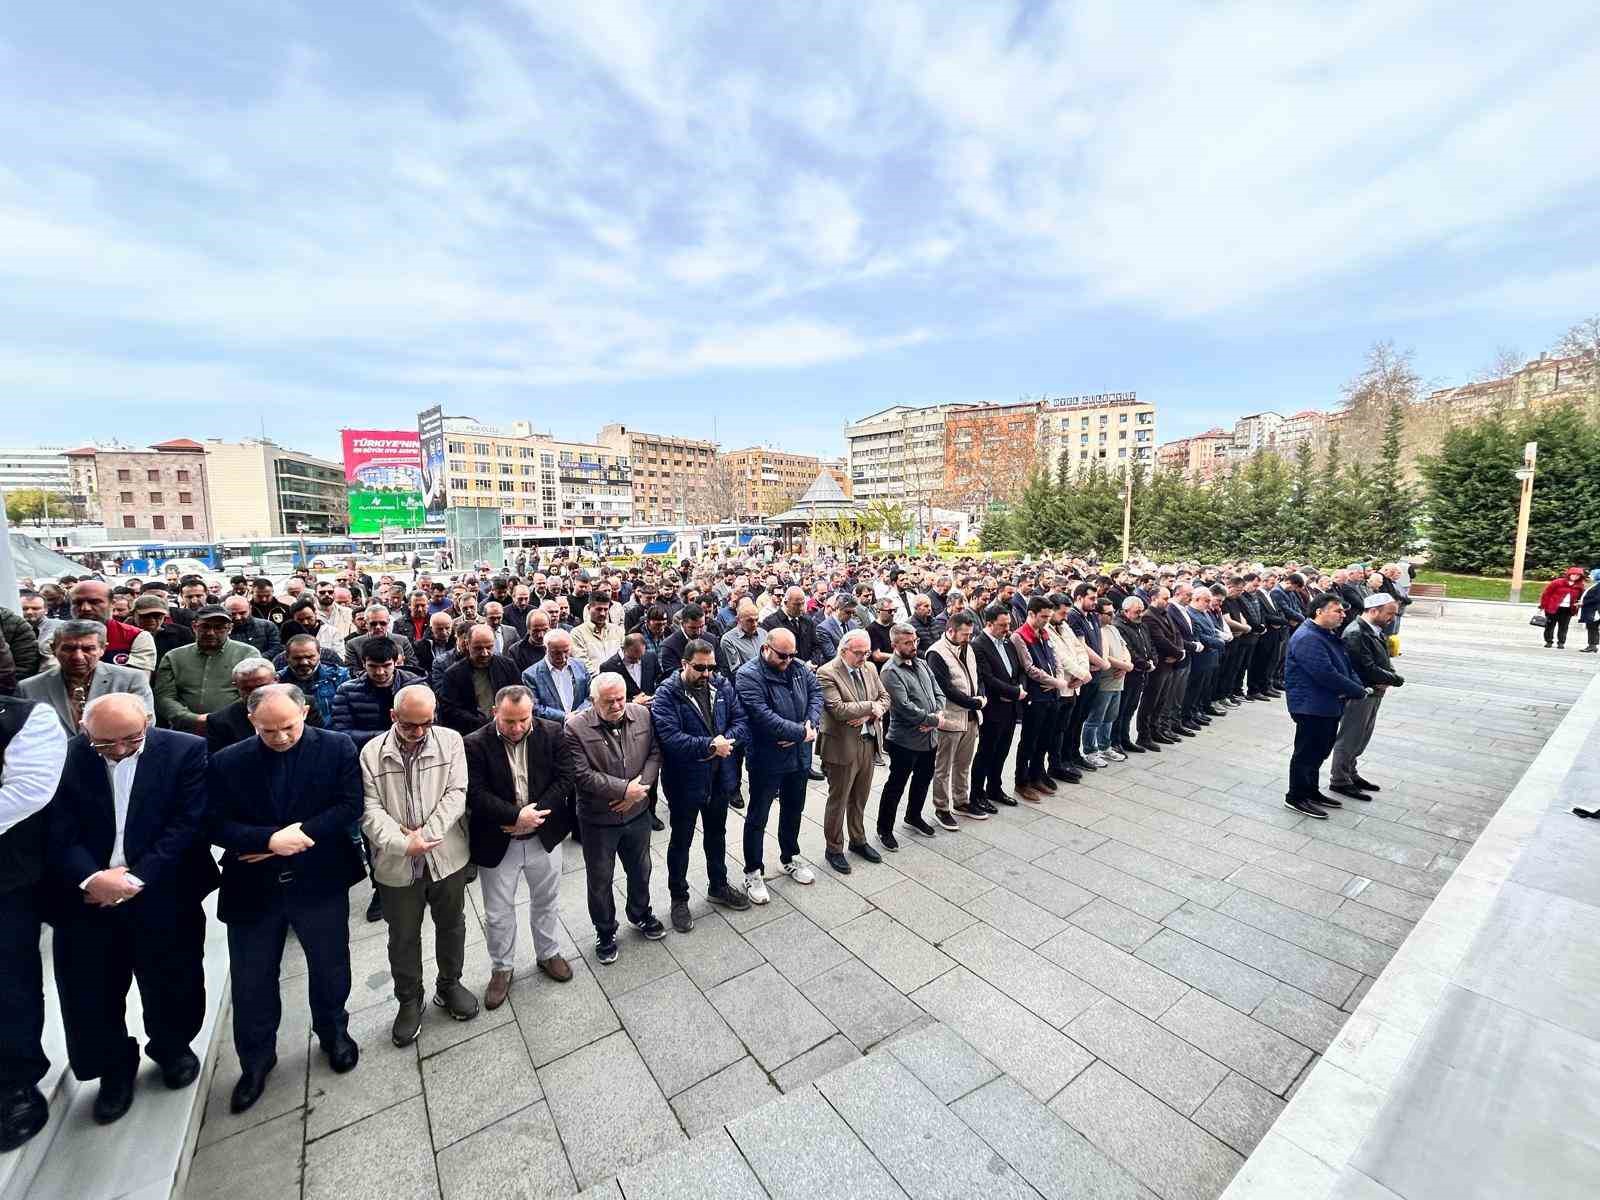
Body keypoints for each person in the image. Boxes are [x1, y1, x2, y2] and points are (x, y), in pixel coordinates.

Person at [45, 694, 217, 1124]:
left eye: (130, 740)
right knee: (92, 990)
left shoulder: (185, 750)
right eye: (105, 744)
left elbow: (186, 824)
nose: (119, 752)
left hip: (162, 887)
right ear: (85, 730)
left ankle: (171, 1046)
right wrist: (92, 878)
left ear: (148, 723)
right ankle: (113, 1068)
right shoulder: (63, 759)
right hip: (87, 896)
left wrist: (134, 879)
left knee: (173, 975)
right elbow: (55, 828)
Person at [210, 684, 363, 1113]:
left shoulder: (336, 747)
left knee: (330, 964)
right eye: (268, 730)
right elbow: (213, 823)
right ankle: (256, 1060)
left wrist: (298, 836)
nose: (279, 737)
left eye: (288, 728)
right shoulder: (228, 761)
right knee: (253, 978)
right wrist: (267, 840)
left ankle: (334, 1033)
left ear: (305, 713)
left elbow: (350, 805)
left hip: (319, 879)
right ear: (251, 721)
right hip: (253, 887)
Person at [359, 686, 477, 1046]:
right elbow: (368, 809)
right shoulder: (372, 753)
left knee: (452, 924)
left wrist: (428, 833)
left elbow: (457, 793)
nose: (420, 731)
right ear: (394, 718)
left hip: (446, 855)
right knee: (403, 936)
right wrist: (403, 842)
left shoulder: (450, 741)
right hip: (397, 864)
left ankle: (450, 983)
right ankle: (409, 999)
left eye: (428, 722)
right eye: (411, 725)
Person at [464, 686, 574, 1008]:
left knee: (547, 899)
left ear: (533, 712)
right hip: (499, 839)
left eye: (523, 719)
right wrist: (515, 816)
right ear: (494, 713)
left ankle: (548, 952)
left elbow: (565, 778)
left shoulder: (553, 733)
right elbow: (475, 792)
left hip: (544, 835)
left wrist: (532, 817)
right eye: (508, 721)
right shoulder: (474, 743)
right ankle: (502, 968)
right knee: (498, 912)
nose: (516, 728)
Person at [0, 695, 69, 1152]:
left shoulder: (27, 717)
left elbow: (25, 793)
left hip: (6, 880)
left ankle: (15, 1081)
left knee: (9, 984)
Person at [562, 673, 665, 963]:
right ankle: (605, 930)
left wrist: (638, 790)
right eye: (609, 701)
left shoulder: (642, 714)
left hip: (637, 813)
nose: (618, 704)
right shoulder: (575, 728)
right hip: (598, 820)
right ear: (593, 701)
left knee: (641, 868)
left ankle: (641, 913)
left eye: (621, 698)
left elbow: (655, 754)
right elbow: (581, 775)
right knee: (600, 879)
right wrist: (623, 790)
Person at [651, 638, 752, 931]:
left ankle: (718, 885)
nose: (707, 673)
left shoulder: (721, 685)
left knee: (717, 834)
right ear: (684, 664)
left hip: (720, 776)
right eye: (700, 668)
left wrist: (725, 742)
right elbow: (670, 738)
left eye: (711, 667)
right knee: (681, 840)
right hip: (686, 780)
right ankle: (679, 898)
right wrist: (710, 745)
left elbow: (741, 720)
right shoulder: (667, 693)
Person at [734, 628, 822, 901]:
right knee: (758, 815)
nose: (788, 660)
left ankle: (790, 855)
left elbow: (816, 693)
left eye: (792, 655)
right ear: (766, 648)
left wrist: (811, 724)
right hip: (767, 757)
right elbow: (761, 715)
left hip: (798, 756)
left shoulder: (797, 667)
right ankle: (753, 870)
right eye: (782, 655)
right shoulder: (748, 675)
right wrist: (800, 733)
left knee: (794, 808)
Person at [1283, 594, 1369, 819]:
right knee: (1307, 753)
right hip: (1311, 706)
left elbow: (1345, 665)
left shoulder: (1325, 634)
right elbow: (1324, 673)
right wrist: (1357, 691)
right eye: (1337, 611)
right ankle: (1296, 796)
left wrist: (1356, 684)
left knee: (1320, 750)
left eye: (1342, 611)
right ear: (1319, 611)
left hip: (1327, 704)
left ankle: (1311, 790)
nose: (1343, 615)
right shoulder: (1308, 637)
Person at [816, 629, 888, 872]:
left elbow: (885, 697)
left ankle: (858, 840)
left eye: (867, 652)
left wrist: (870, 712)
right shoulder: (826, 672)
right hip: (841, 745)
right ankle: (833, 848)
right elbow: (838, 709)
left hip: (867, 741)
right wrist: (872, 707)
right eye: (859, 653)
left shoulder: (869, 668)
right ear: (843, 650)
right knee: (839, 799)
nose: (864, 657)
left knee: (860, 797)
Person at [877, 623, 949, 843]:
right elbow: (903, 706)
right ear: (894, 644)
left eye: (915, 641)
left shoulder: (922, 663)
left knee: (923, 779)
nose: (913, 646)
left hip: (929, 738)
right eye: (907, 643)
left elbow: (939, 693)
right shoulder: (890, 671)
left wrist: (936, 717)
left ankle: (913, 816)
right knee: (896, 785)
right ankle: (885, 829)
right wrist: (933, 720)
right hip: (904, 740)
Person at [1329, 593, 1405, 800]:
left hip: (1374, 691)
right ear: (1373, 611)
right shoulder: (1356, 633)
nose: (1393, 618)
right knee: (1350, 736)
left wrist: (1390, 676)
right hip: (1361, 691)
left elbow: (1384, 661)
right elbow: (1365, 668)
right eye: (1390, 613)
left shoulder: (1374, 630)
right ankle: (1340, 779)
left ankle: (1350, 773)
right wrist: (1396, 679)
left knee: (1362, 736)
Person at [21, 620, 154, 735]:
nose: (77, 657)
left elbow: (145, 725)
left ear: (103, 649)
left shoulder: (131, 680)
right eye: (68, 649)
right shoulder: (28, 688)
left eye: (88, 649)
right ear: (53, 649)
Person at [153, 606, 256, 735]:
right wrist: (192, 719)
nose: (211, 632)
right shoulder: (173, 657)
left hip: (234, 728)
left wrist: (218, 719)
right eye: (205, 626)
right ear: (194, 627)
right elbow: (164, 697)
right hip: (185, 730)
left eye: (219, 627)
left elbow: (252, 693)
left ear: (229, 628)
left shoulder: (248, 654)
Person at [925, 610, 987, 825]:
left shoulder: (967, 647)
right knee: (943, 767)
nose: (968, 638)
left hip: (970, 716)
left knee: (963, 763)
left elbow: (975, 676)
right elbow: (946, 688)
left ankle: (961, 800)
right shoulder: (936, 653)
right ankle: (941, 807)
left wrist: (980, 696)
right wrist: (975, 702)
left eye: (970, 634)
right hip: (950, 717)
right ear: (950, 630)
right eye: (964, 634)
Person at [330, 637, 425, 750]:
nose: (380, 672)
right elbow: (342, 732)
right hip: (366, 751)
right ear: (364, 663)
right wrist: (385, 736)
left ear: (395, 663)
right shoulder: (347, 691)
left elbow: (431, 724)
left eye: (386, 666)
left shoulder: (417, 687)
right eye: (373, 666)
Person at [972, 605, 1024, 806]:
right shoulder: (979, 645)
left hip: (1010, 707)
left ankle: (995, 788)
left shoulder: (1007, 641)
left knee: (1002, 750)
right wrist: (1014, 692)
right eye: (1002, 625)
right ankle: (977, 793)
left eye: (1008, 624)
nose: (1007, 628)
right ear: (989, 623)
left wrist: (1020, 688)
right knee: (986, 752)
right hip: (993, 707)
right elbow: (987, 677)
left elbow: (1018, 670)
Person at [1010, 597, 1062, 799]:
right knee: (1029, 740)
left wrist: (1057, 679)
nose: (1046, 621)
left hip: (1051, 694)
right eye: (1043, 617)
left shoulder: (1045, 633)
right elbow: (1029, 667)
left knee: (1045, 739)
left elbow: (1055, 659)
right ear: (1031, 613)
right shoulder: (1020, 636)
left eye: (1049, 617)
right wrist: (1055, 682)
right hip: (1035, 697)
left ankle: (1037, 775)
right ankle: (1021, 781)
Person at [437, 625, 523, 735]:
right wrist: (481, 723)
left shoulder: (507, 666)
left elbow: (519, 696)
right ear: (467, 644)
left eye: (489, 647)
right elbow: (448, 710)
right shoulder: (453, 674)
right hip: (471, 733)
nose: (485, 653)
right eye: (478, 648)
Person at [69, 580, 156, 673]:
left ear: (112, 603)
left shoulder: (137, 637)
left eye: (94, 602)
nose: (85, 608)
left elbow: (136, 683)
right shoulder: (56, 636)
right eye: (77, 602)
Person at [1085, 598, 1131, 765]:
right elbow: (1105, 657)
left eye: (1113, 612)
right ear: (1098, 614)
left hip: (1118, 680)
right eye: (1109, 613)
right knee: (1096, 717)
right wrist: (1125, 666)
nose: (1113, 616)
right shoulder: (1098, 631)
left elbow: (1124, 648)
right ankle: (1090, 750)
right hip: (1105, 680)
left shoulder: (1113, 629)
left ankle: (1105, 746)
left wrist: (1127, 665)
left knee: (1110, 716)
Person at [204, 657, 282, 752]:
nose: (255, 694)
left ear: (276, 679)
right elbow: (218, 761)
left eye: (261, 687)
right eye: (247, 689)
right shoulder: (220, 721)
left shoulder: (301, 706)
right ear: (236, 686)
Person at [279, 634, 347, 726]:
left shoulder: (339, 676)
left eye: (310, 657)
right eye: (297, 658)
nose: (304, 662)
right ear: (287, 657)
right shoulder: (277, 681)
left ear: (319, 654)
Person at [343, 605, 419, 672]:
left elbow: (413, 667)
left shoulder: (402, 641)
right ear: (366, 623)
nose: (378, 627)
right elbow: (351, 671)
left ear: (388, 621)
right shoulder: (353, 645)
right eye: (373, 624)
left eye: (382, 623)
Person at [599, 632, 659, 703]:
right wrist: (632, 702)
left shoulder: (650, 657)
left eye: (640, 657)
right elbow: (607, 698)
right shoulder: (608, 668)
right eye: (632, 658)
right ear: (623, 649)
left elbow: (659, 679)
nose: (637, 661)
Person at [569, 596, 623, 674]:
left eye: (606, 609)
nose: (602, 613)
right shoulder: (577, 633)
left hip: (618, 681)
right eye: (598, 609)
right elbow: (582, 663)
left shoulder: (617, 631)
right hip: (593, 682)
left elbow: (623, 657)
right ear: (588, 608)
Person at [1537, 567, 1587, 648]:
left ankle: (1561, 642)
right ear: (1569, 574)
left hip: (1568, 609)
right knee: (1550, 625)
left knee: (1564, 627)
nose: (1575, 576)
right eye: (1573, 574)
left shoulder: (1580, 586)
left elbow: (1581, 598)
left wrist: (1578, 604)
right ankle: (1549, 641)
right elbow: (1546, 594)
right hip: (1553, 607)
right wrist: (1542, 606)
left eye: (1578, 575)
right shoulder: (1557, 582)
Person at [222, 594, 282, 660]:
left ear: (250, 609)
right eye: (232, 614)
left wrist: (255, 659)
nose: (238, 617)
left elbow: (276, 648)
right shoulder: (221, 630)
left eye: (242, 613)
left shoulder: (267, 626)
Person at [1580, 569, 1600, 654]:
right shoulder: (1597, 584)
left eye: (1592, 574)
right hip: (1592, 610)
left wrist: (1583, 602)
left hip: (1594, 610)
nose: (1590, 576)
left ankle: (1592, 646)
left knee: (1592, 628)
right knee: (1592, 628)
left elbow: (1597, 598)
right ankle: (1593, 646)